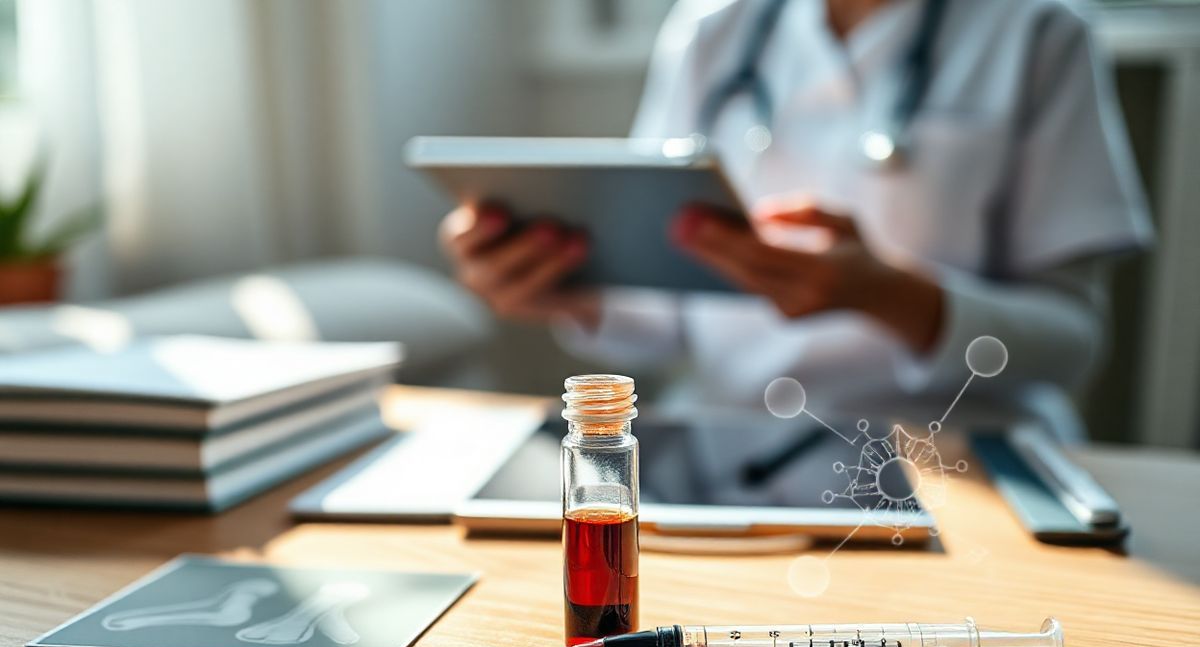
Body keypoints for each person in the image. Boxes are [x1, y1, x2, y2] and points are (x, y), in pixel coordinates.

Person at [440, 0, 1152, 438]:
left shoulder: (1039, 29)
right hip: (731, 442)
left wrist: (889, 295)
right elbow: (661, 322)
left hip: (959, 453)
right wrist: (560, 283)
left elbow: (1074, 345)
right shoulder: (713, 27)